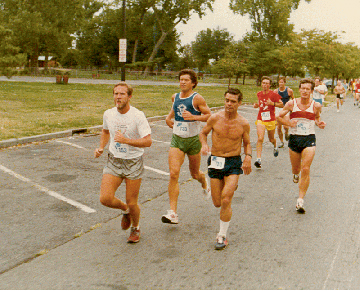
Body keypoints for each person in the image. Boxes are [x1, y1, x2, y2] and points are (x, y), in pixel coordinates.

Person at [94, 82, 152, 243]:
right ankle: (124, 210)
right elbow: (105, 131)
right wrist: (100, 147)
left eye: (122, 94)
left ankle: (136, 227)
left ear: (129, 96)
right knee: (105, 198)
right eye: (115, 94)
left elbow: (148, 142)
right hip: (114, 160)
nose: (118, 97)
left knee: (132, 202)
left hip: (133, 162)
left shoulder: (138, 115)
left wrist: (127, 140)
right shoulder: (108, 114)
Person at [199, 88, 252, 250]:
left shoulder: (243, 123)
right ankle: (217, 187)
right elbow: (203, 133)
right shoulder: (215, 118)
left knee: (226, 199)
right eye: (227, 100)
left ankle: (221, 235)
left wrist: (248, 157)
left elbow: (247, 143)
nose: (229, 104)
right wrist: (204, 144)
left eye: (233, 101)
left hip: (233, 162)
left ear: (239, 103)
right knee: (217, 203)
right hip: (215, 160)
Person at [162, 69, 211, 224]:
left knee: (195, 174)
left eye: (186, 80)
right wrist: (168, 118)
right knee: (173, 174)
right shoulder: (175, 97)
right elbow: (173, 111)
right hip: (177, 140)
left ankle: (204, 182)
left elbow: (210, 116)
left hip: (193, 141)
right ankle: (173, 213)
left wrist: (194, 117)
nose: (182, 82)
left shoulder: (197, 99)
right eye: (181, 79)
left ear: (193, 83)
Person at [277, 78, 326, 213]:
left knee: (306, 168)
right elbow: (279, 117)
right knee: (296, 168)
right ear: (299, 89)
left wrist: (319, 123)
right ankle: (295, 174)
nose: (305, 91)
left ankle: (300, 200)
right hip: (294, 139)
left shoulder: (316, 105)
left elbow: (316, 118)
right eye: (302, 88)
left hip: (309, 139)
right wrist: (288, 124)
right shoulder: (292, 104)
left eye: (307, 89)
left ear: (311, 91)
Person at [253, 76, 283, 169]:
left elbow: (282, 104)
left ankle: (275, 145)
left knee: (271, 139)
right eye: (263, 83)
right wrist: (257, 105)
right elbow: (261, 104)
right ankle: (258, 159)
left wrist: (272, 104)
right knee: (260, 138)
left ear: (269, 85)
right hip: (261, 118)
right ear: (261, 84)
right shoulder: (259, 94)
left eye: (267, 83)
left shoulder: (273, 94)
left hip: (270, 120)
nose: (265, 85)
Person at [274, 77, 294, 147]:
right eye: (280, 82)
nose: (281, 84)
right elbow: (273, 100)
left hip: (286, 109)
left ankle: (286, 132)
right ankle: (281, 142)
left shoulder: (289, 90)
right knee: (279, 127)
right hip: (279, 109)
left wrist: (291, 109)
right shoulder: (276, 91)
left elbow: (293, 99)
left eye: (282, 82)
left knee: (285, 126)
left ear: (284, 83)